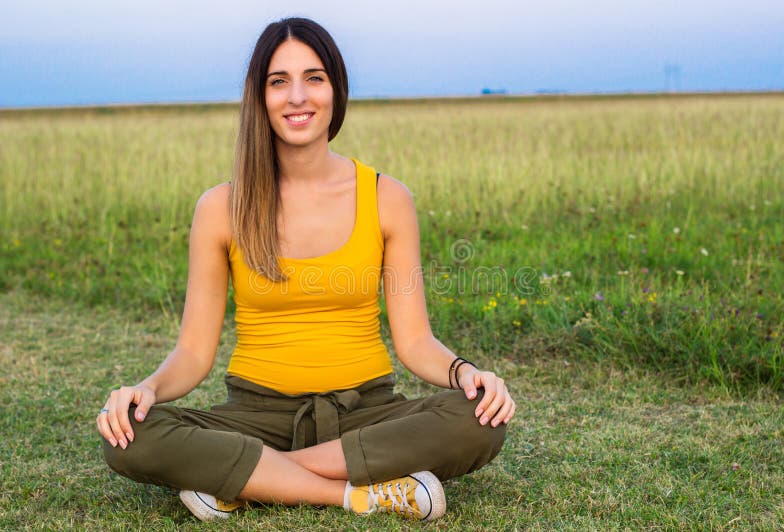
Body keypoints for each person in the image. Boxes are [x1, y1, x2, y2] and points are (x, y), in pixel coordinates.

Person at [96, 17, 515, 523]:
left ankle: (250, 479)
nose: (298, 96)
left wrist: (467, 373)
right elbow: (193, 352)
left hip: (366, 412)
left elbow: (415, 341)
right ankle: (358, 494)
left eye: (314, 78)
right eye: (279, 81)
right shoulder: (220, 208)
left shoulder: (387, 197)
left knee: (479, 419)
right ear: (260, 96)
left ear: (336, 89)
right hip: (256, 417)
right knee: (128, 434)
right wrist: (146, 390)